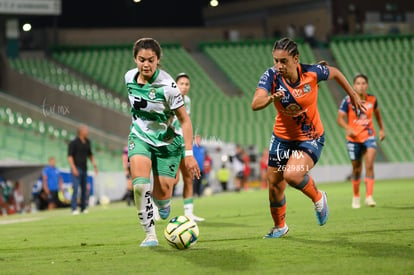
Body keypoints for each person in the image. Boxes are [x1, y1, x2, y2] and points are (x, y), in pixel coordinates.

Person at [251, 37, 365, 238]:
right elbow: (256, 102)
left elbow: (336, 73)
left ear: (296, 59)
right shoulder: (271, 76)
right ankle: (280, 227)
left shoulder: (312, 72)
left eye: (283, 61)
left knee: (292, 175)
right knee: (274, 182)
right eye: (275, 60)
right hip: (281, 138)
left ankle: (319, 198)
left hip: (310, 137)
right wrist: (270, 98)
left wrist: (353, 94)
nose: (278, 65)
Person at [125, 38, 200, 247]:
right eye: (141, 60)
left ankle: (164, 202)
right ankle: (150, 235)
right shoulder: (129, 77)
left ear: (158, 60)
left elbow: (185, 121)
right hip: (139, 137)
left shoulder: (169, 86)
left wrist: (189, 154)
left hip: (167, 143)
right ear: (135, 59)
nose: (145, 64)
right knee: (140, 186)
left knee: (162, 196)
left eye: (150, 60)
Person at [337, 73, 385, 208]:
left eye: (363, 83)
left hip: (369, 136)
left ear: (367, 85)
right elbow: (339, 119)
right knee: (357, 169)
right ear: (353, 85)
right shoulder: (347, 100)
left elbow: (378, 115)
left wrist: (381, 129)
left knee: (369, 164)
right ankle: (356, 196)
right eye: (358, 83)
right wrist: (347, 128)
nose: (361, 86)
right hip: (353, 139)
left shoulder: (373, 100)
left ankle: (369, 196)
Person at [172, 72, 204, 222]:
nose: (184, 87)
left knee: (188, 177)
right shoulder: (169, 99)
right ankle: (156, 205)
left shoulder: (188, 101)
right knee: (173, 180)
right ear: (175, 85)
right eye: (181, 84)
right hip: (170, 142)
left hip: (183, 143)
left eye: (187, 84)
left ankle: (189, 212)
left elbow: (185, 123)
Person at [68, 124, 98, 215]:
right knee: (76, 188)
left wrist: (94, 166)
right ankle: (74, 208)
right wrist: (73, 168)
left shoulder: (88, 142)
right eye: (86, 130)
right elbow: (70, 157)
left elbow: (90, 155)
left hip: (84, 169)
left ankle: (83, 208)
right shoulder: (73, 142)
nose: (87, 132)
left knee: (84, 189)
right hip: (76, 168)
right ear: (80, 131)